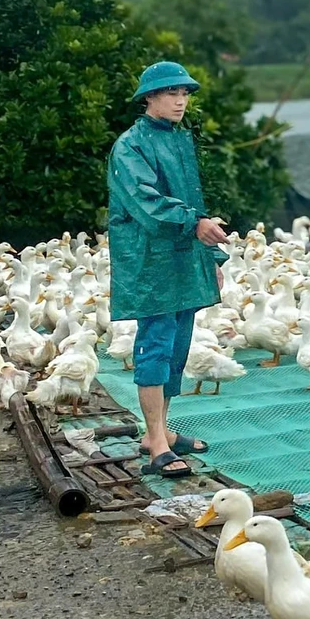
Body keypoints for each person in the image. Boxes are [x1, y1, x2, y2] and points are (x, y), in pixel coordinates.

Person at [107, 61, 230, 478]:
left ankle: (159, 431)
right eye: (171, 93)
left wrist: (211, 257)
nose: (181, 100)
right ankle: (155, 441)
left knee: (178, 346)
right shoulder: (130, 145)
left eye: (185, 93)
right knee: (155, 346)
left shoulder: (179, 140)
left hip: (183, 258)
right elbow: (147, 203)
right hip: (150, 261)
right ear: (149, 98)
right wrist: (195, 225)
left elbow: (191, 201)